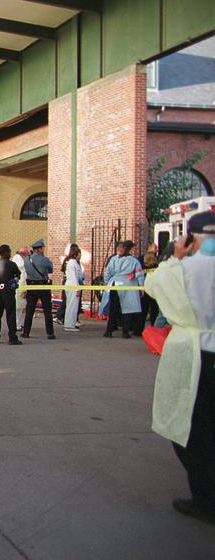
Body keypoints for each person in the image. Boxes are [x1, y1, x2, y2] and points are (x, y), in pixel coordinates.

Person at [145, 211, 215, 523]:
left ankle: (206, 498)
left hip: (195, 354)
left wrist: (174, 257)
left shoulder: (183, 269)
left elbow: (153, 284)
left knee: (191, 427)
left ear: (191, 238)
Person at [101, 240, 145, 339]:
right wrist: (142, 287)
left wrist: (106, 283)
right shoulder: (134, 261)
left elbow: (107, 272)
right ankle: (125, 332)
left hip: (115, 284)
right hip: (128, 286)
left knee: (113, 309)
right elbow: (139, 275)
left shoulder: (113, 259)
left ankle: (109, 330)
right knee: (127, 309)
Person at [22, 239, 56, 340]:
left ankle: (26, 332)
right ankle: (50, 333)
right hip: (43, 286)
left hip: (31, 286)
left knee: (29, 310)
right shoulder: (44, 260)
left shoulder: (27, 259)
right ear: (40, 249)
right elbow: (50, 269)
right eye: (42, 248)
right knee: (47, 310)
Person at [0, 245, 22, 345]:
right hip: (8, 292)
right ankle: (12, 338)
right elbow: (18, 275)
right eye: (9, 251)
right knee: (11, 315)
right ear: (7, 252)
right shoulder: (12, 264)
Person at [62, 244, 85, 332]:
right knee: (72, 306)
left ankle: (70, 323)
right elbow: (73, 277)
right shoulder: (72, 263)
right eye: (79, 254)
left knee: (71, 306)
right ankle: (69, 325)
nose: (80, 256)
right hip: (72, 285)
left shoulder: (73, 262)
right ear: (76, 254)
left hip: (71, 285)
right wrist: (77, 289)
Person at [144, 242, 161, 327]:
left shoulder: (145, 268)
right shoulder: (158, 266)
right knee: (154, 309)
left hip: (146, 288)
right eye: (155, 248)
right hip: (155, 289)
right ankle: (154, 326)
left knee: (145, 309)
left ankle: (138, 329)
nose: (157, 249)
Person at [12, 247, 29, 331]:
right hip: (20, 288)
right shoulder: (21, 265)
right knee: (19, 308)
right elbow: (23, 277)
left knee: (18, 307)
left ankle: (17, 324)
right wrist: (23, 290)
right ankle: (17, 325)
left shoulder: (15, 260)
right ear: (23, 254)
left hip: (16, 287)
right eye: (28, 254)